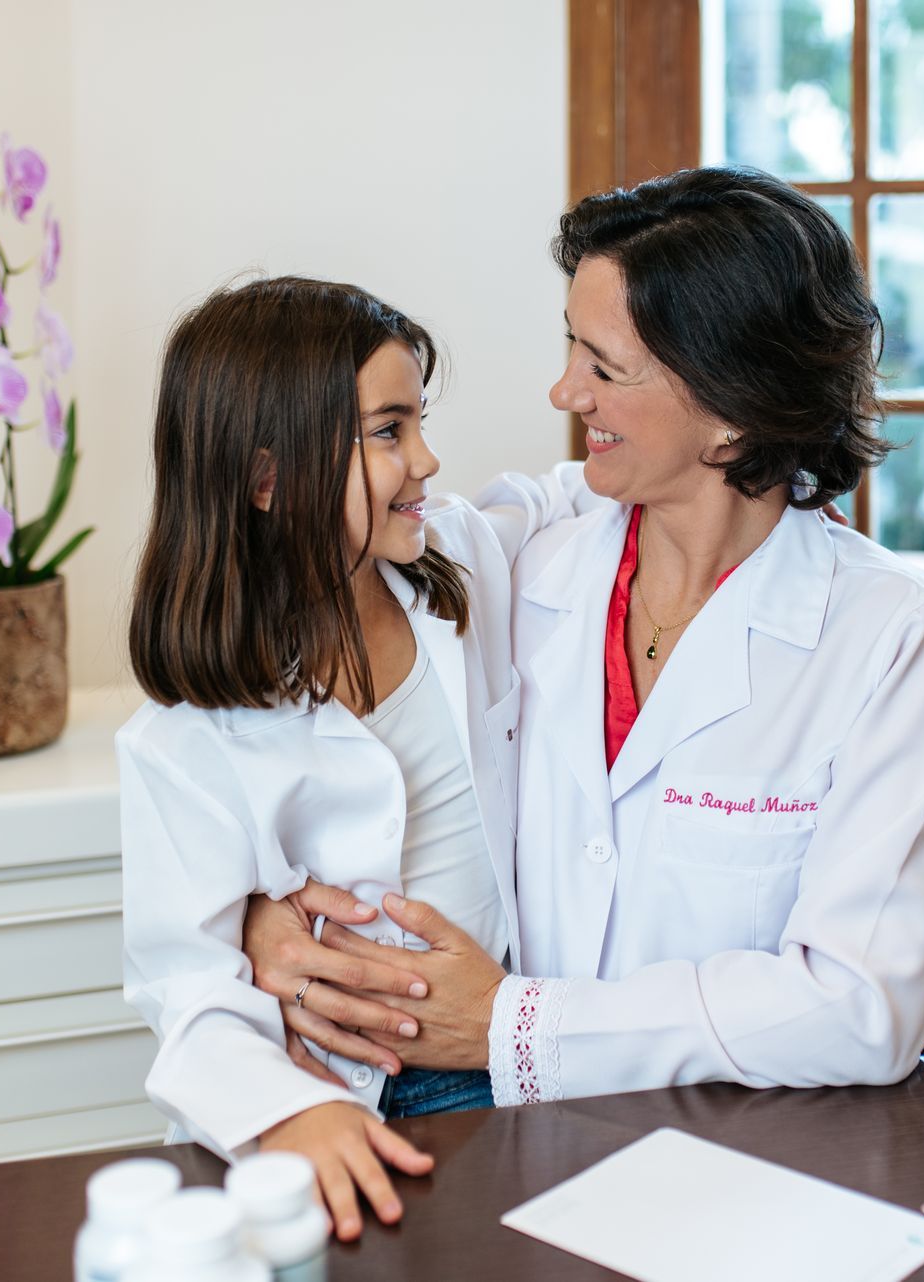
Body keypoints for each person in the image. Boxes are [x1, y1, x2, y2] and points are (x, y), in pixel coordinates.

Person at [246, 165, 924, 1113]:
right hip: (519, 1137)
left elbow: (862, 1006)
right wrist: (253, 919)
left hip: (753, 1143)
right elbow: (294, 606)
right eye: (570, 349)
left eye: (603, 368)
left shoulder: (888, 631)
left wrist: (518, 1024)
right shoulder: (523, 558)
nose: (565, 392)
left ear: (733, 411)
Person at [116, 277, 588, 1241]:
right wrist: (294, 1113)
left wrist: (768, 488)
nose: (427, 459)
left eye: (419, 422)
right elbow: (188, 988)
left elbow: (569, 492)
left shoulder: (461, 564)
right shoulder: (184, 741)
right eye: (388, 431)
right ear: (266, 480)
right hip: (321, 1090)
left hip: (497, 1058)